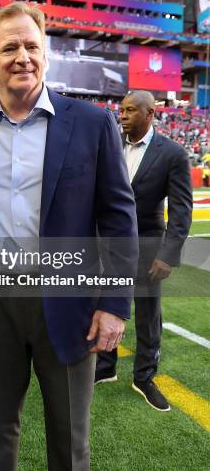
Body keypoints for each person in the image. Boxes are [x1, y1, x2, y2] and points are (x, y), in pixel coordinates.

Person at [0, 2, 138, 470]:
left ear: (47, 53)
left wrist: (114, 305)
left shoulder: (92, 123)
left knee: (70, 438)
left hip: (71, 302)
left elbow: (119, 218)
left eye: (32, 46)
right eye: (9, 47)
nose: (22, 57)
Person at [95, 91, 192, 412]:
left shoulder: (173, 153)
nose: (122, 115)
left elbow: (181, 209)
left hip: (149, 245)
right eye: (121, 109)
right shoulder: (108, 145)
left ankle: (145, 376)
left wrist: (169, 254)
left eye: (131, 110)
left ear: (150, 113)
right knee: (105, 302)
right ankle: (105, 366)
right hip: (107, 245)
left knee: (148, 313)